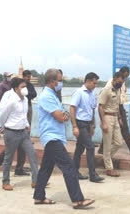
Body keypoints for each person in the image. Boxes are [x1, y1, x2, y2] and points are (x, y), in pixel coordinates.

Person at [33, 69, 94, 209]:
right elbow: (61, 117)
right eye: (60, 80)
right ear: (53, 81)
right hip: (52, 136)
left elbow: (64, 113)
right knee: (69, 166)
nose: (61, 83)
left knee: (46, 168)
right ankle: (78, 200)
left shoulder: (53, 95)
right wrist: (63, 115)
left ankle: (38, 196)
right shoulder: (46, 96)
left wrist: (63, 115)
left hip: (55, 137)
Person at [0, 72, 30, 179]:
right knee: (10, 149)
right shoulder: (8, 94)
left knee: (21, 148)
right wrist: (3, 125)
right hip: (10, 126)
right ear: (16, 86)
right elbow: (2, 110)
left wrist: (26, 123)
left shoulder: (22, 96)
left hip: (20, 126)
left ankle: (19, 169)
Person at [0, 78, 38, 191]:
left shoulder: (25, 100)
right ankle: (5, 182)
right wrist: (4, 126)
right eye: (22, 87)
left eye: (25, 86)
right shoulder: (11, 101)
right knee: (8, 158)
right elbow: (2, 115)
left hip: (23, 133)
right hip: (11, 132)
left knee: (32, 154)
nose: (24, 89)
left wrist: (26, 124)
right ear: (16, 89)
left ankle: (36, 181)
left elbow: (23, 115)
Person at [98, 66, 130, 155]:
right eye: (127, 74)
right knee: (123, 129)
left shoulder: (122, 82)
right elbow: (106, 98)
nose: (127, 77)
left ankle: (102, 149)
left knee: (119, 130)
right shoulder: (112, 82)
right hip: (114, 108)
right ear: (124, 72)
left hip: (119, 107)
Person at [71, 72, 104, 183]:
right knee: (90, 147)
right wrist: (74, 126)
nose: (95, 85)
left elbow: (92, 110)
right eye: (94, 83)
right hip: (80, 123)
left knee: (80, 149)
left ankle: (74, 171)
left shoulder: (92, 94)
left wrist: (92, 125)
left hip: (87, 124)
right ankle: (92, 174)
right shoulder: (79, 93)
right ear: (88, 81)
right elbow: (72, 109)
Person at [98, 71, 124, 177]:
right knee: (108, 144)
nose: (120, 84)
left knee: (119, 142)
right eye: (119, 82)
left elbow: (117, 106)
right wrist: (103, 122)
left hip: (115, 117)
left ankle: (106, 159)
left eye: (122, 82)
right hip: (107, 117)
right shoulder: (106, 90)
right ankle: (109, 168)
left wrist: (119, 117)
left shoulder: (118, 90)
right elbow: (100, 107)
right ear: (114, 79)